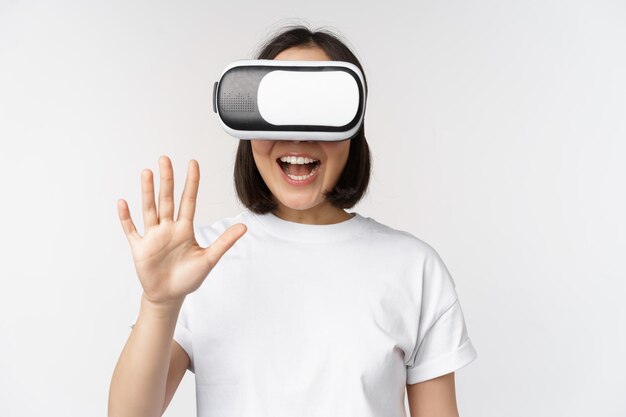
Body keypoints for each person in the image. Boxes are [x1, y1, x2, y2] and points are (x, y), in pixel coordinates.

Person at [108, 25, 477, 417]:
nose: (298, 137)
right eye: (281, 111)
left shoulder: (414, 268)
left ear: (353, 128)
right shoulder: (199, 264)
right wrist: (160, 303)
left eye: (320, 111)